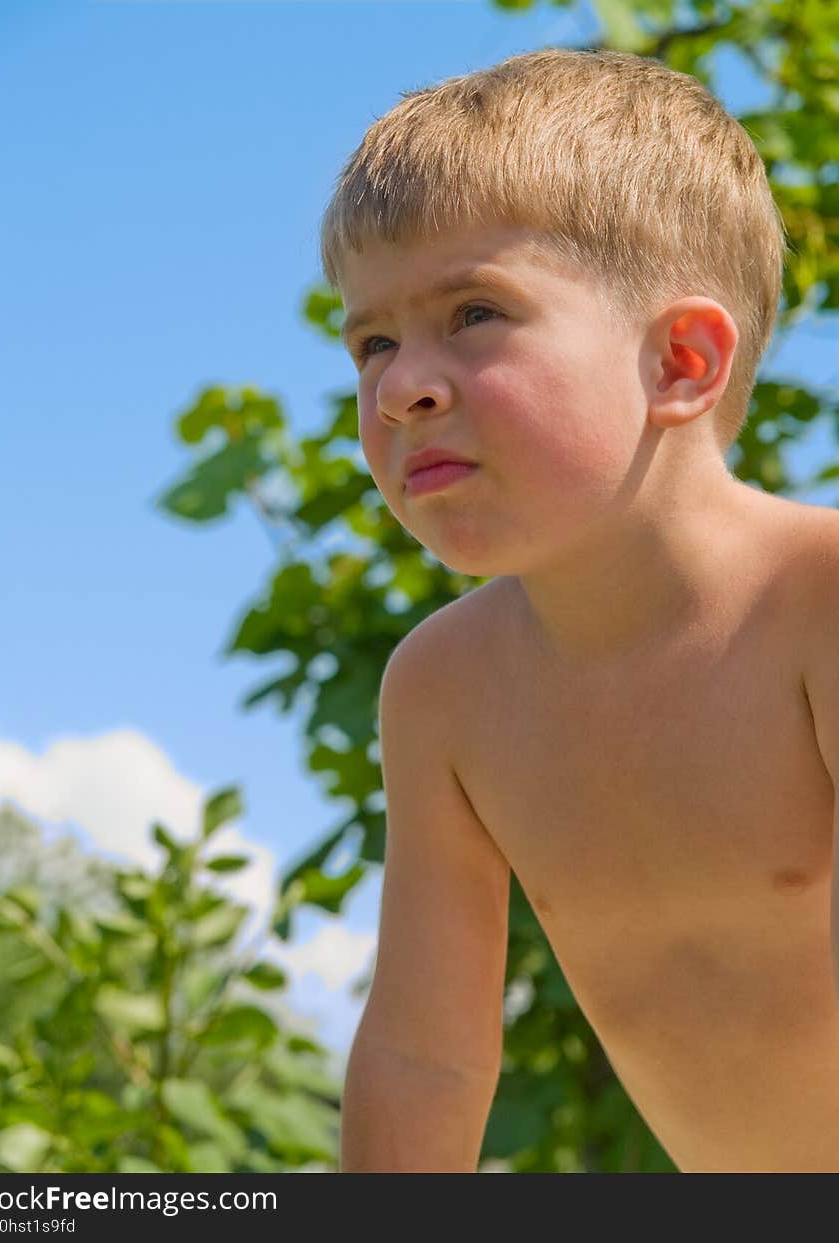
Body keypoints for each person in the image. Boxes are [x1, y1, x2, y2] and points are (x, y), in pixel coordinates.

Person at [319, 46, 839, 1173]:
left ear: (680, 361)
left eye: (472, 312)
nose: (401, 383)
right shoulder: (443, 692)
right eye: (371, 340)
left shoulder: (819, 603)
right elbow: (427, 1055)